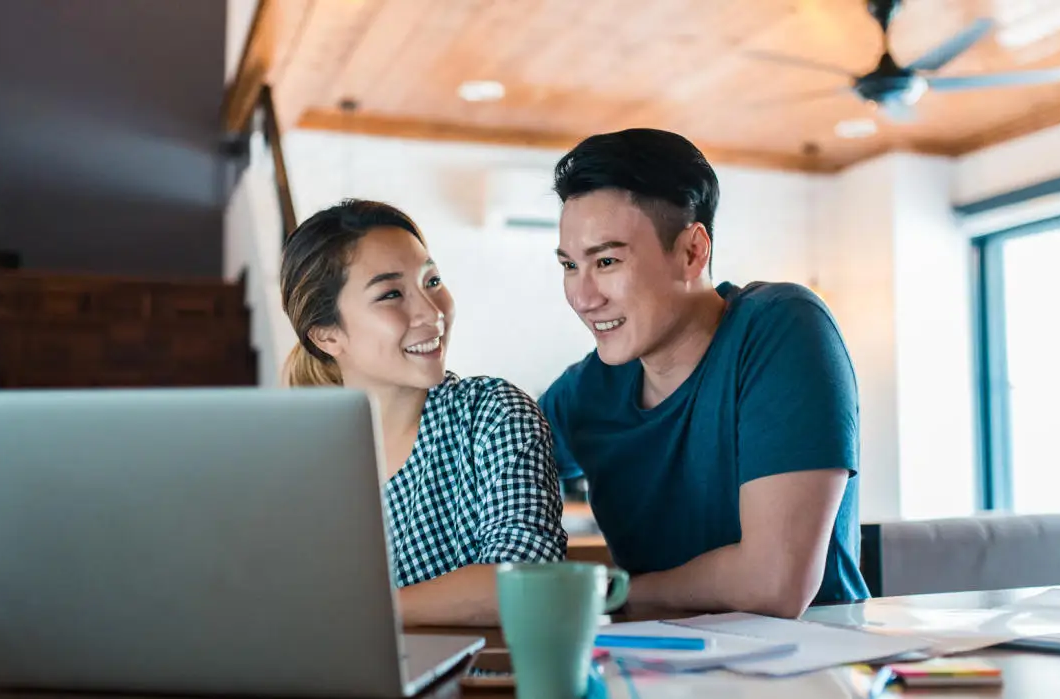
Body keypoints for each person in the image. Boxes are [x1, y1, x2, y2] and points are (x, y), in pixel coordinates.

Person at [539, 128, 869, 618]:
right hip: (649, 672)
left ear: (692, 252)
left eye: (606, 261)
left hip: (806, 670)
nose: (584, 298)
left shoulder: (783, 328)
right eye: (570, 266)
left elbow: (773, 585)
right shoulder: (584, 392)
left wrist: (610, 593)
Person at [281, 199, 568, 626]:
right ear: (327, 336)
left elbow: (529, 581)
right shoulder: (302, 463)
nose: (432, 313)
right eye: (391, 293)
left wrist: (361, 612)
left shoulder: (492, 415)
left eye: (431, 280)